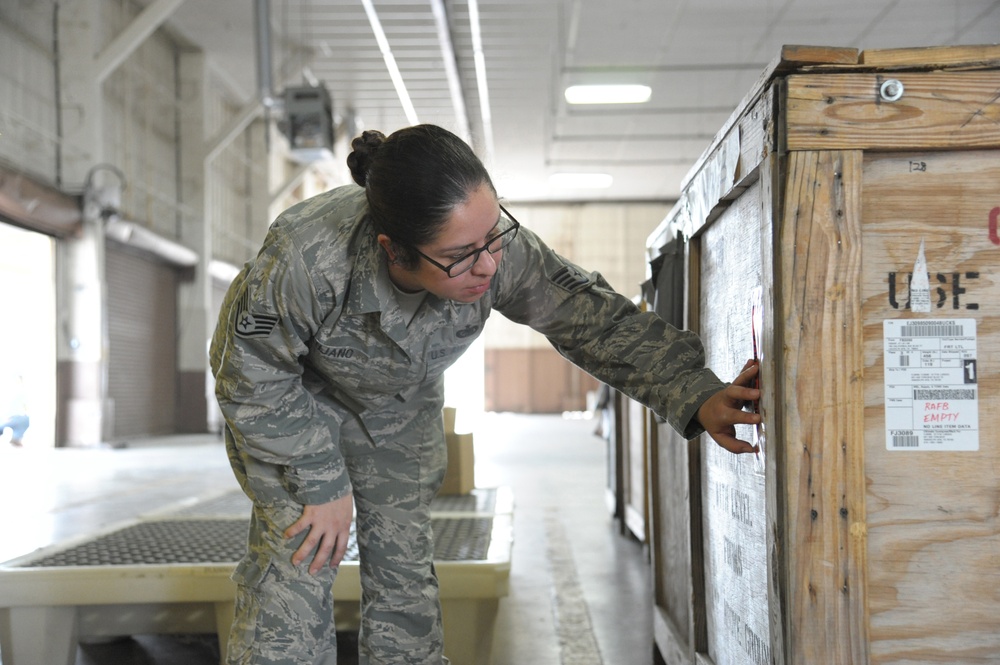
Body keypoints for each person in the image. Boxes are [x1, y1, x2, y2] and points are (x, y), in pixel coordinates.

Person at [210, 123, 761, 665]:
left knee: (403, 569)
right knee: (300, 559)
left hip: (399, 407)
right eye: (460, 255)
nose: (489, 264)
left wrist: (693, 390)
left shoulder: (495, 248)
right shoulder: (306, 258)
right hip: (293, 403)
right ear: (394, 251)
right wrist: (320, 480)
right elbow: (251, 375)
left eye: (493, 236)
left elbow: (593, 322)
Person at [0, 372, 29, 447]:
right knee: (26, 420)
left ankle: (16, 437)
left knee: (26, 420)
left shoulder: (20, 392)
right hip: (10, 417)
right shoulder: (18, 391)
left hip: (11, 417)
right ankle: (16, 438)